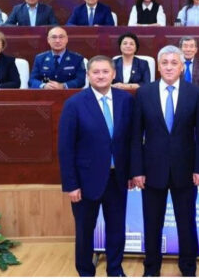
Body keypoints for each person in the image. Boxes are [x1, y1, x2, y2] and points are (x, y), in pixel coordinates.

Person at [131, 45, 199, 277]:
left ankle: (188, 269)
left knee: (186, 223)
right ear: (158, 66)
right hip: (152, 170)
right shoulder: (144, 93)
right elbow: (136, 135)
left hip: (185, 170)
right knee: (152, 223)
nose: (169, 67)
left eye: (174, 63)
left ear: (182, 66)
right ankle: (151, 269)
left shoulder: (195, 93)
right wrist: (137, 170)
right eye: (164, 63)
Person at [58, 55, 134, 277]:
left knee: (116, 228)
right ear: (88, 75)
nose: (101, 76)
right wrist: (71, 185)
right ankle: (85, 272)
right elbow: (65, 148)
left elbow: (131, 140)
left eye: (105, 71)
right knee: (84, 231)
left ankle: (115, 270)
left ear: (114, 74)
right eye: (96, 72)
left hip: (117, 178)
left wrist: (131, 172)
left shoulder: (126, 100)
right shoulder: (74, 104)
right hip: (85, 181)